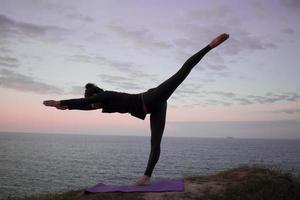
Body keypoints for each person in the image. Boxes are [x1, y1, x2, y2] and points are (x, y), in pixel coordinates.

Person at [43, 33, 229, 185]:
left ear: (96, 95)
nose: (94, 106)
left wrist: (61, 102)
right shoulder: (103, 103)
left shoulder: (105, 96)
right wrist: (66, 108)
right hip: (156, 108)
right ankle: (146, 178)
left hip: (153, 97)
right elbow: (86, 107)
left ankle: (210, 46)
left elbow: (84, 104)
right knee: (155, 143)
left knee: (181, 73)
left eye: (93, 102)